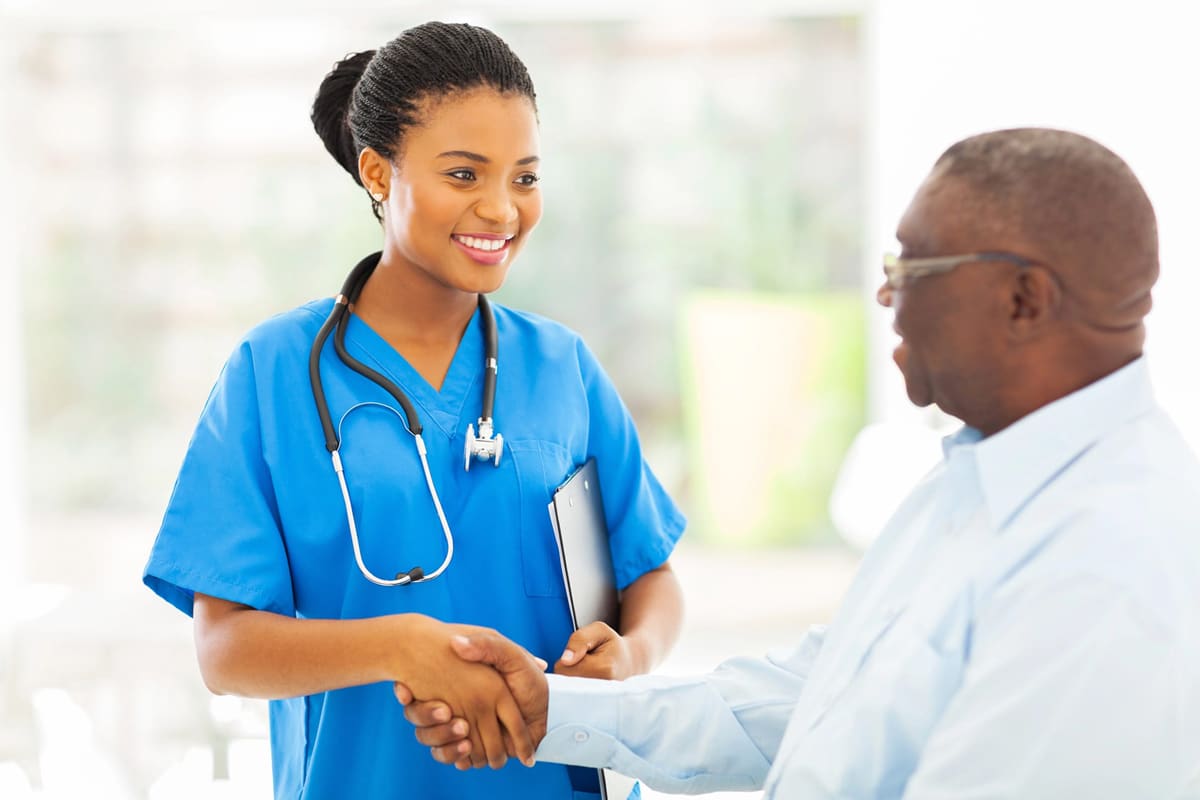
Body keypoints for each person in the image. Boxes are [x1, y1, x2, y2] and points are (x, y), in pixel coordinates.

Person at [398, 127, 1200, 798]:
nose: (887, 298)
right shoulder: (973, 481)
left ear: (1025, 300)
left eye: (910, 270)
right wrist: (554, 710)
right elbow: (809, 699)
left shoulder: (1108, 563)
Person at [141, 21, 686, 800]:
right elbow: (224, 650)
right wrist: (401, 646)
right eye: (464, 175)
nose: (501, 209)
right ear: (376, 172)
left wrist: (629, 657)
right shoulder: (273, 373)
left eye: (524, 178)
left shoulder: (562, 366)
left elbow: (653, 577)